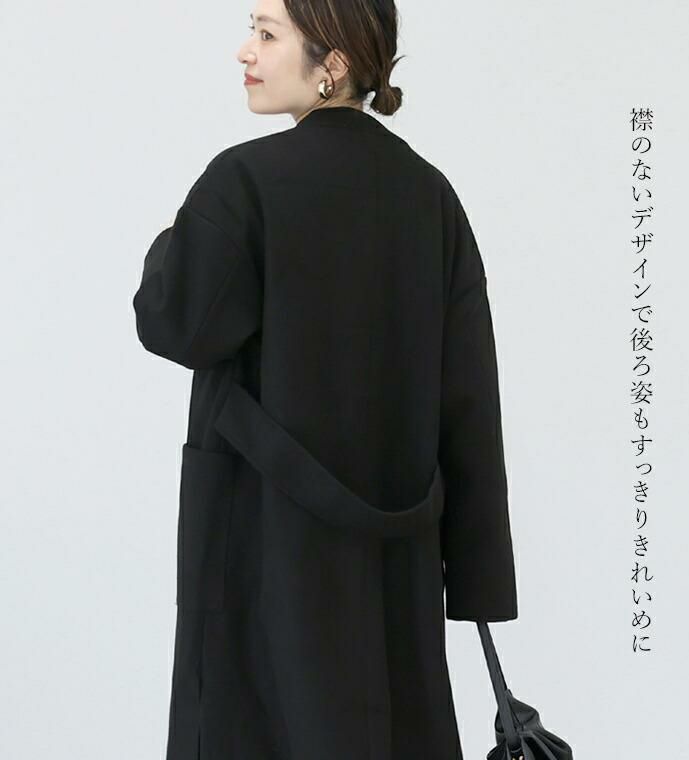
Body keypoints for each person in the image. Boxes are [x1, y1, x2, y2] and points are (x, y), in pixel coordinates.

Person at [132, 0, 518, 757]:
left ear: (332, 64)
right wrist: (477, 581)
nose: (245, 51)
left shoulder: (245, 181)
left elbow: (175, 323)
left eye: (266, 33)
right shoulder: (430, 196)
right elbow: (468, 399)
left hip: (261, 558)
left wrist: (171, 241)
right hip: (394, 569)